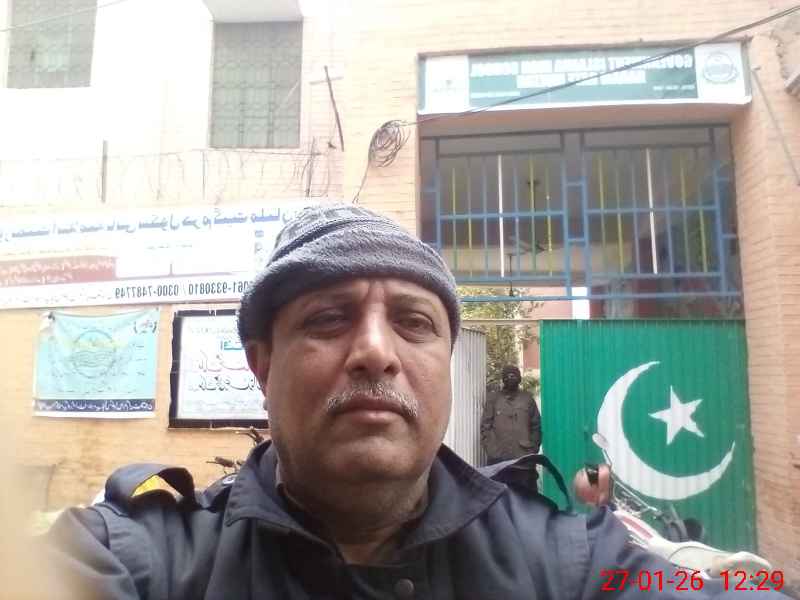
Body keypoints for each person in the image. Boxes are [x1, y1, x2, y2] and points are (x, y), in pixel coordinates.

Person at [43, 203, 788, 599]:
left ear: (446, 365)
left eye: (414, 322)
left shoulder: (570, 561)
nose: (375, 350)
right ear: (262, 364)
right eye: (328, 319)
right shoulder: (137, 561)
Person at [480, 364, 542, 465]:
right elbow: (485, 427)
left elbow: (536, 426)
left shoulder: (527, 399)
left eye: (514, 376)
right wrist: (492, 451)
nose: (511, 378)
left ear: (519, 378)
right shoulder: (493, 399)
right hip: (498, 460)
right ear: (503, 379)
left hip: (523, 459)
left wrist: (532, 450)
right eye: (508, 376)